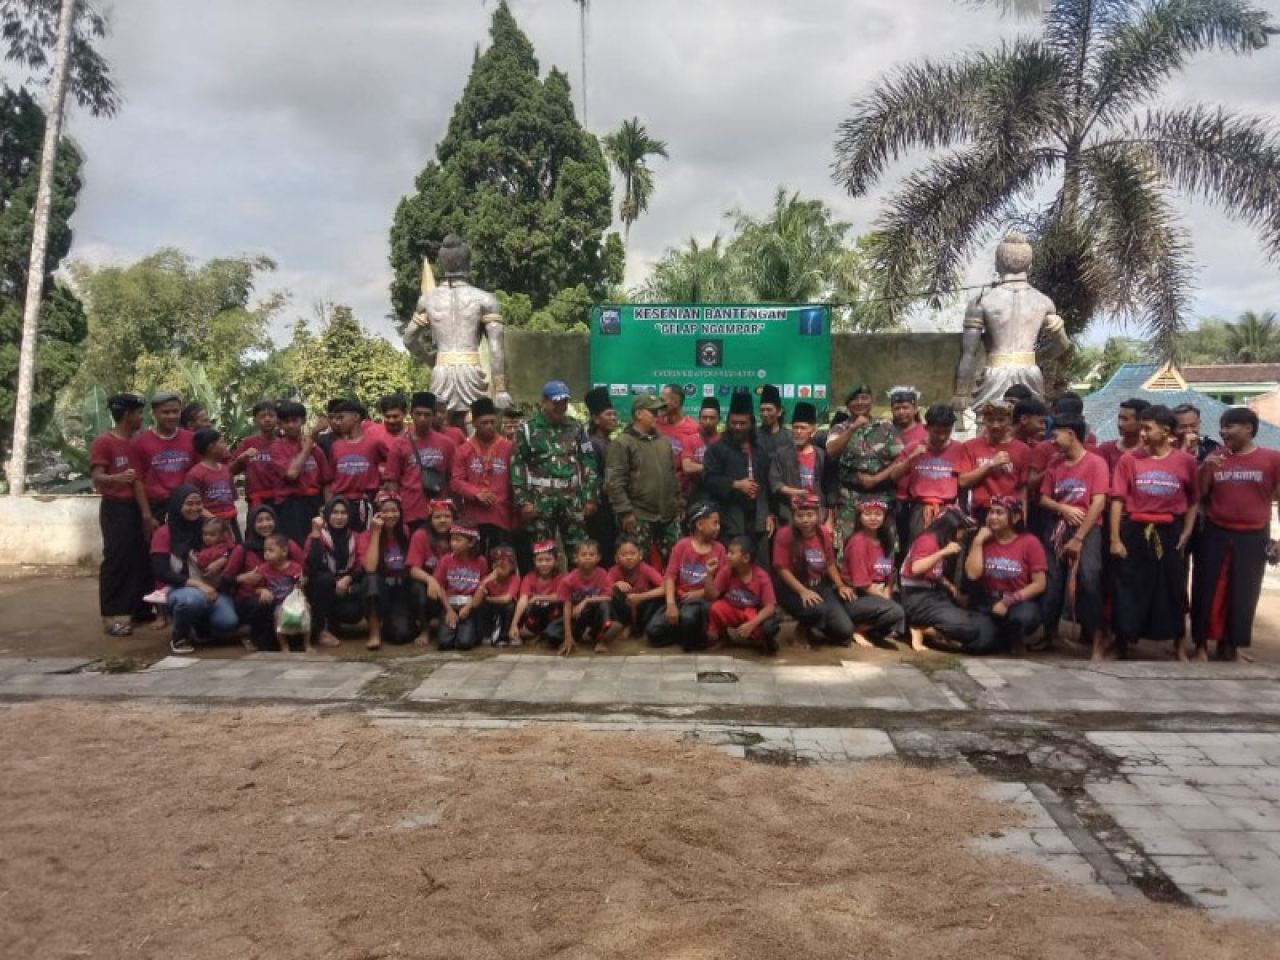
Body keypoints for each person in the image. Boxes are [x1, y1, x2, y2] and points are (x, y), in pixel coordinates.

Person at [1109, 405, 1199, 660]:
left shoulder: (1186, 462)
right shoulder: (1129, 460)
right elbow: (1117, 499)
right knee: (1128, 586)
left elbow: (1194, 499)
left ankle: (1179, 645)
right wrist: (1115, 538)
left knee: (1173, 588)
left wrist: (1188, 530)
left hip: (1170, 530)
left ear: (1167, 432)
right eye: (1142, 428)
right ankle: (1123, 642)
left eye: (1148, 428)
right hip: (1135, 529)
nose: (1143, 433)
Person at [1192, 408, 1280, 660]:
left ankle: (1231, 645)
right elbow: (1200, 494)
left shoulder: (1272, 459)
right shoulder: (1215, 457)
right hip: (1215, 532)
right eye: (1222, 426)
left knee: (1244, 592)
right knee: (1206, 588)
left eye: (1230, 426)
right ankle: (1200, 644)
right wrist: (1204, 468)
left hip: (1253, 536)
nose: (1223, 431)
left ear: (1248, 429)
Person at [1038, 415, 1110, 657]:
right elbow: (1044, 497)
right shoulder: (1054, 463)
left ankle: (1097, 635)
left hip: (1088, 529)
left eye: (1056, 434)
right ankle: (1050, 632)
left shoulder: (1096, 463)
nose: (1052, 440)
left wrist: (1079, 537)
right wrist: (1063, 509)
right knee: (1052, 579)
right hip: (1057, 527)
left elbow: (1099, 502)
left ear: (1071, 433)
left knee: (1089, 578)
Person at [511, 380, 600, 557]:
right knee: (543, 554)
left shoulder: (576, 428)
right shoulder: (528, 430)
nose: (561, 407)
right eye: (556, 402)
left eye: (564, 402)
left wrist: (590, 497)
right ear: (544, 401)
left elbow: (588, 461)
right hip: (541, 501)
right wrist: (524, 501)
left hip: (572, 499)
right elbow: (518, 466)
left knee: (579, 553)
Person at [149, 485, 239, 654]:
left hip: (211, 586)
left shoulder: (207, 529)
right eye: (189, 504)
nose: (195, 508)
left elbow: (233, 547)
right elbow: (161, 571)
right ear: (177, 505)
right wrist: (198, 584)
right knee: (191, 601)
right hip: (180, 588)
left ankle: (199, 627)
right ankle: (180, 636)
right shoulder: (164, 533)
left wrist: (222, 560)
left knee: (228, 622)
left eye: (199, 504)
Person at [90, 393, 148, 637]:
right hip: (115, 507)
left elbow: (139, 481)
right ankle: (109, 617)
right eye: (138, 413)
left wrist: (145, 513)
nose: (141, 417)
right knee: (116, 559)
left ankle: (139, 609)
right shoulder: (104, 442)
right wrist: (115, 478)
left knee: (139, 558)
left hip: (135, 507)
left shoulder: (136, 442)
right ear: (127, 415)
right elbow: (97, 476)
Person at [772, 494, 861, 648]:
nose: (805, 520)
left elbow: (830, 562)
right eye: (800, 516)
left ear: (818, 515)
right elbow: (782, 569)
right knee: (816, 610)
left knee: (845, 631)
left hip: (820, 585)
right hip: (791, 588)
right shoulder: (784, 534)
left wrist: (840, 585)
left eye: (810, 515)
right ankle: (802, 629)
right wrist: (802, 591)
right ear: (794, 517)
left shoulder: (823, 533)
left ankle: (817, 624)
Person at [964, 496, 1047, 655]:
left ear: (1015, 517)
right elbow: (972, 574)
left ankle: (1014, 636)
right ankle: (1001, 638)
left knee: (1022, 618)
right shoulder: (983, 541)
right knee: (978, 645)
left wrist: (1008, 601)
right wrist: (978, 542)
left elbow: (1040, 583)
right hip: (989, 601)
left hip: (1019, 601)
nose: (993, 517)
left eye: (999, 513)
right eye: (991, 512)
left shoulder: (1030, 542)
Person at [606, 394, 682, 566]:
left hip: (668, 514)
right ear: (639, 414)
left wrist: (678, 503)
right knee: (637, 563)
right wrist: (625, 511)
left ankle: (671, 593)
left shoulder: (664, 442)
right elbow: (614, 481)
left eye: (659, 411)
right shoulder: (622, 443)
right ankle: (640, 593)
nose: (658, 416)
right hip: (638, 514)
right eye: (653, 412)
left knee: (675, 561)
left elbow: (672, 475)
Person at [825, 383, 904, 543]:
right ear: (848, 404)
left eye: (864, 398)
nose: (860, 402)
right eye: (855, 399)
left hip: (881, 497)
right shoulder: (840, 428)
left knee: (882, 547)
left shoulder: (886, 426)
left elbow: (901, 458)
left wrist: (876, 478)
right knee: (848, 546)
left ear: (871, 401)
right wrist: (852, 428)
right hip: (850, 500)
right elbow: (831, 451)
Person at [222, 504, 305, 650]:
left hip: (286, 597)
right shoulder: (242, 550)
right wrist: (242, 578)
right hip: (252, 599)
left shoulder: (287, 544)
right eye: (259, 520)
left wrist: (298, 587)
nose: (265, 524)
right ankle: (256, 637)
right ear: (252, 524)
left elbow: (304, 569)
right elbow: (224, 581)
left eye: (269, 519)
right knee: (264, 605)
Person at [647, 502, 727, 650]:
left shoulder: (719, 550)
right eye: (715, 522)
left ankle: (695, 636)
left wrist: (699, 593)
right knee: (653, 631)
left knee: (688, 618)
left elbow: (720, 586)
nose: (718, 527)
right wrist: (671, 604)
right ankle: (686, 635)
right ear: (700, 524)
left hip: (703, 601)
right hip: (680, 599)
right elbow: (670, 577)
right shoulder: (682, 546)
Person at [900, 507, 981, 649]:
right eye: (961, 530)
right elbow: (916, 568)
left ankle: (925, 628)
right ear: (951, 527)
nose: (962, 535)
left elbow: (935, 572)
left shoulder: (939, 541)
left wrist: (951, 588)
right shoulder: (927, 540)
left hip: (933, 594)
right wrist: (943, 552)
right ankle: (920, 630)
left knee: (972, 622)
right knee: (969, 629)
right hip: (917, 597)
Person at [702, 391, 773, 551]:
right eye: (733, 423)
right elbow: (707, 480)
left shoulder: (760, 450)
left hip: (757, 520)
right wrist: (735, 484)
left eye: (742, 423)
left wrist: (769, 514)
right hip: (729, 520)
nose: (737, 427)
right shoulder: (717, 449)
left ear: (751, 423)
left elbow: (767, 484)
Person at [892, 403, 973, 542]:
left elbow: (963, 482)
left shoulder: (960, 449)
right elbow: (894, 475)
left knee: (949, 552)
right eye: (937, 432)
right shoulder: (914, 447)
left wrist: (963, 512)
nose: (942, 437)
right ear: (926, 428)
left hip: (948, 508)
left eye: (946, 432)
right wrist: (911, 458)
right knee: (919, 550)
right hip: (919, 509)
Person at [450, 396, 514, 560]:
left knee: (500, 562)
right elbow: (456, 481)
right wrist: (476, 493)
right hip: (474, 516)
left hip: (501, 516)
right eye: (484, 423)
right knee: (475, 561)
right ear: (474, 423)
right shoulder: (463, 450)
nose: (489, 427)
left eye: (492, 422)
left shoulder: (508, 448)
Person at [840, 498, 911, 649]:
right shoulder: (857, 542)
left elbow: (890, 572)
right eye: (868, 514)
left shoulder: (886, 539)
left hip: (879, 592)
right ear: (860, 517)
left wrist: (887, 591)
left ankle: (872, 630)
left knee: (908, 607)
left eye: (878, 514)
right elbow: (861, 583)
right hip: (859, 595)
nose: (873, 518)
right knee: (895, 611)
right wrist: (884, 598)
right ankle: (857, 629)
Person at [386, 391, 457, 532]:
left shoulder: (447, 444)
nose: (422, 418)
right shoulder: (399, 444)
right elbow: (392, 480)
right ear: (411, 414)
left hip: (439, 512)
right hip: (410, 511)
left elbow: (453, 477)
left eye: (427, 414)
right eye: (418, 414)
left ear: (434, 415)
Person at [361, 493, 424, 649]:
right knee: (372, 580)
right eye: (386, 511)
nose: (390, 515)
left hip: (402, 590)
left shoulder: (406, 532)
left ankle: (409, 624)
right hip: (381, 589)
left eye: (394, 511)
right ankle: (374, 632)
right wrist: (376, 533)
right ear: (377, 513)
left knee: (400, 636)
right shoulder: (366, 535)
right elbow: (369, 568)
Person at [133, 391, 196, 534]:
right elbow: (138, 481)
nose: (172, 416)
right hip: (156, 507)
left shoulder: (192, 439)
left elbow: (199, 472)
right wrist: (146, 515)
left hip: (187, 505)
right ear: (154, 413)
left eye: (175, 411)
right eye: (165, 412)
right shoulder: (140, 442)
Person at [704, 536, 780, 654]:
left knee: (768, 627)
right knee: (714, 607)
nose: (727, 556)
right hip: (733, 609)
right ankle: (723, 637)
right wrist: (709, 574)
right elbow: (712, 596)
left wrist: (751, 624)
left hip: (753, 612)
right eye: (728, 552)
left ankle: (763, 641)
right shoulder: (726, 571)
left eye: (732, 553)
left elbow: (770, 607)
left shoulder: (761, 576)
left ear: (745, 558)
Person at [305, 498, 364, 649]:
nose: (339, 517)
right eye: (335, 512)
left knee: (353, 611)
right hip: (320, 588)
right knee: (323, 579)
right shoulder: (317, 535)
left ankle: (333, 623)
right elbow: (313, 565)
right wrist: (316, 534)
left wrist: (347, 579)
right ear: (327, 515)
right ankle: (320, 630)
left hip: (344, 588)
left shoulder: (355, 537)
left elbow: (360, 565)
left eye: (343, 513)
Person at [960, 400, 1029, 525]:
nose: (995, 425)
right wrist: (990, 464)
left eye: (1001, 420)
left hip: (1010, 509)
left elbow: (1022, 489)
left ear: (1010, 421)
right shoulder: (970, 446)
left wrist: (1023, 515)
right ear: (984, 420)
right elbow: (963, 481)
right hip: (981, 509)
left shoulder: (1022, 450)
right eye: (991, 420)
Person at [273, 402, 331, 545]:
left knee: (317, 544)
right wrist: (308, 445)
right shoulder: (277, 447)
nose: (291, 425)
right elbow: (292, 474)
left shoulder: (316, 449)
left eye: (295, 420)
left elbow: (326, 482)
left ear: (303, 421)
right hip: (291, 505)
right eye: (286, 422)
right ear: (280, 424)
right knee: (295, 546)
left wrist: (328, 508)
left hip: (314, 502)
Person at [327, 398, 386, 531]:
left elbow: (392, 466)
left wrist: (382, 488)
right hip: (341, 505)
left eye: (341, 417)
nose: (337, 422)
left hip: (365, 503)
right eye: (335, 418)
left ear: (356, 417)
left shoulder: (374, 444)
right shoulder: (336, 446)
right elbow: (331, 479)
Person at [770, 401, 831, 527]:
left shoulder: (822, 455)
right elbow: (774, 482)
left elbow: (830, 489)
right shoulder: (781, 454)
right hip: (789, 516)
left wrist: (829, 519)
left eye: (803, 428)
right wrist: (794, 492)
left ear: (812, 430)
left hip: (817, 516)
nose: (798, 431)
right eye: (795, 427)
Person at [553, 538, 614, 656]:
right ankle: (575, 637)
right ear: (576, 558)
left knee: (604, 605)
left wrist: (586, 600)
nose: (587, 557)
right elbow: (566, 606)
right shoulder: (568, 580)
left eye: (591, 554)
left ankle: (601, 638)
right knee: (553, 636)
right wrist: (568, 635)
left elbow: (609, 597)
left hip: (594, 612)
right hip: (576, 616)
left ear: (598, 557)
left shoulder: (602, 573)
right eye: (583, 554)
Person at [434, 524, 488, 652]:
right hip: (450, 605)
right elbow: (441, 586)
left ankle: (473, 632)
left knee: (464, 643)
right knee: (444, 643)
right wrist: (449, 610)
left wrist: (468, 608)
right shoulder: (446, 560)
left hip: (469, 606)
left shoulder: (481, 561)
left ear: (471, 543)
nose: (453, 544)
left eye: (458, 540)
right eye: (452, 540)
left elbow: (482, 587)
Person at [248, 533, 307, 652]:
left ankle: (307, 643)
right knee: (277, 614)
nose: (266, 553)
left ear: (284, 552)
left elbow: (299, 587)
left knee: (307, 611)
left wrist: (303, 597)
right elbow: (255, 588)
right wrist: (263, 590)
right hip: (277, 602)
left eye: (271, 550)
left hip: (293, 600)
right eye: (265, 550)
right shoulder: (263, 569)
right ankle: (283, 645)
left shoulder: (295, 567)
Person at [582, 387, 619, 566]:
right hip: (598, 508)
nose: (613, 418)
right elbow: (590, 475)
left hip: (611, 506)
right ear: (596, 419)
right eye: (608, 414)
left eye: (614, 414)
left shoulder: (610, 442)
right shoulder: (590, 444)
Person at [607, 535, 666, 638]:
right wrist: (615, 585)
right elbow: (603, 590)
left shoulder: (645, 569)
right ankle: (625, 626)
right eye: (624, 555)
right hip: (624, 611)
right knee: (611, 598)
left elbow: (666, 588)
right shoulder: (614, 570)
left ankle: (643, 628)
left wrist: (641, 597)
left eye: (633, 554)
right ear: (616, 558)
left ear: (640, 555)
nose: (629, 558)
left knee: (658, 600)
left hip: (642, 610)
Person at [185, 429, 239, 538]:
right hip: (210, 525)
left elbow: (232, 498)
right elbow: (193, 505)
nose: (225, 446)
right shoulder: (195, 474)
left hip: (231, 521)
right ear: (211, 447)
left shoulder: (226, 469)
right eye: (222, 442)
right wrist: (214, 520)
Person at [510, 540, 564, 645]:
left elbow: (560, 596)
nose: (544, 564)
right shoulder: (529, 578)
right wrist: (514, 624)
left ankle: (549, 632)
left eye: (548, 560)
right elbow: (523, 600)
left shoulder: (561, 578)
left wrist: (538, 597)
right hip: (536, 616)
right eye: (540, 560)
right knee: (521, 606)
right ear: (534, 561)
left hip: (553, 615)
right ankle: (520, 633)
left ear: (556, 560)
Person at [231, 401, 281, 511]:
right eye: (262, 416)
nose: (267, 419)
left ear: (277, 419)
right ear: (255, 420)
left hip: (281, 500)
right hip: (256, 500)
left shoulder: (284, 443)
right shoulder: (248, 443)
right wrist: (241, 458)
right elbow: (230, 470)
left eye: (271, 416)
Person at [655, 383, 702, 495]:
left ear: (675, 402)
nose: (659, 404)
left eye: (663, 400)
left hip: (683, 492)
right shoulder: (655, 423)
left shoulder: (693, 428)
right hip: (658, 490)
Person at [474, 545, 520, 646]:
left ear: (512, 566)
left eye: (503, 566)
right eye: (496, 565)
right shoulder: (488, 578)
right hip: (492, 608)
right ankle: (485, 634)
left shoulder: (514, 579)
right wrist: (484, 582)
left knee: (510, 606)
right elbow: (475, 602)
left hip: (505, 608)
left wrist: (488, 598)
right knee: (482, 606)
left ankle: (505, 636)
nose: (499, 569)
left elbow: (506, 599)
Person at [679, 396, 721, 502]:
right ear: (699, 418)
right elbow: (687, 467)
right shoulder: (689, 439)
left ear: (719, 419)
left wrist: (700, 467)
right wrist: (712, 467)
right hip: (695, 494)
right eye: (704, 417)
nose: (707, 421)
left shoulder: (724, 440)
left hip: (719, 494)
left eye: (712, 418)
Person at [1097, 398, 1150, 473]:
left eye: (1125, 419)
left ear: (1141, 422)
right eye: (1119, 418)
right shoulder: (1105, 450)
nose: (1119, 424)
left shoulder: (1151, 451)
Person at [755, 384, 792, 464]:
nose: (765, 414)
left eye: (769, 410)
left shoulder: (789, 437)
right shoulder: (754, 435)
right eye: (762, 410)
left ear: (779, 412)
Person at [366, 394, 408, 462]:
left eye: (395, 416)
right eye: (387, 417)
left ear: (405, 413)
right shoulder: (372, 433)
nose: (391, 421)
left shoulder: (414, 432)